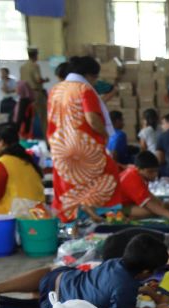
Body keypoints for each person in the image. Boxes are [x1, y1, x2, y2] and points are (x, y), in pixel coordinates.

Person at [0, 234, 169, 308]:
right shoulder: (127, 285)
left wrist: (144, 290)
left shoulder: (116, 263)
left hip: (62, 281)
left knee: (53, 270)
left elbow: (114, 285)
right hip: (59, 304)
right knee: (50, 278)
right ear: (146, 272)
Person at [47, 55, 120, 220]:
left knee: (68, 184)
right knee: (109, 172)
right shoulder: (84, 89)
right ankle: (96, 210)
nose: (95, 82)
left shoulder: (55, 90)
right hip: (82, 147)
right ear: (89, 75)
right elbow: (92, 119)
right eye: (95, 78)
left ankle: (70, 219)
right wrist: (104, 134)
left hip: (60, 146)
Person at [0, 122, 45, 216]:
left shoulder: (4, 161)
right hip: (38, 211)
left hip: (17, 211)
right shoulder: (26, 159)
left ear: (1, 142)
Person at [107, 151, 169, 223]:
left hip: (123, 203)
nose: (155, 175)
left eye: (156, 171)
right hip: (110, 209)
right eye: (150, 172)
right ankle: (127, 217)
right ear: (139, 169)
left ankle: (131, 215)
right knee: (153, 211)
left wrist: (161, 203)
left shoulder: (137, 172)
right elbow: (149, 204)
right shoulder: (132, 180)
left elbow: (146, 194)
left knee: (160, 208)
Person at [19, 47, 48, 138]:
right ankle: (47, 140)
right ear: (36, 55)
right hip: (36, 94)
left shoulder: (22, 67)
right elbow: (38, 80)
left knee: (27, 118)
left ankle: (25, 138)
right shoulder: (35, 66)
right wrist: (46, 80)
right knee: (43, 118)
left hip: (26, 95)